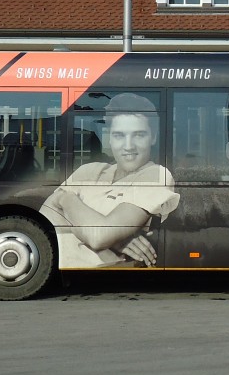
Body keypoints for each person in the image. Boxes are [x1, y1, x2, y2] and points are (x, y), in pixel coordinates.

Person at [40, 93, 178, 268]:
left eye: (138, 135)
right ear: (110, 138)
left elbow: (98, 236)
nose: (128, 146)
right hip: (60, 272)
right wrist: (115, 239)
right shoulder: (89, 170)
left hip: (105, 275)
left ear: (153, 137)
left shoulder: (156, 175)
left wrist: (64, 198)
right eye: (119, 135)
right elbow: (44, 220)